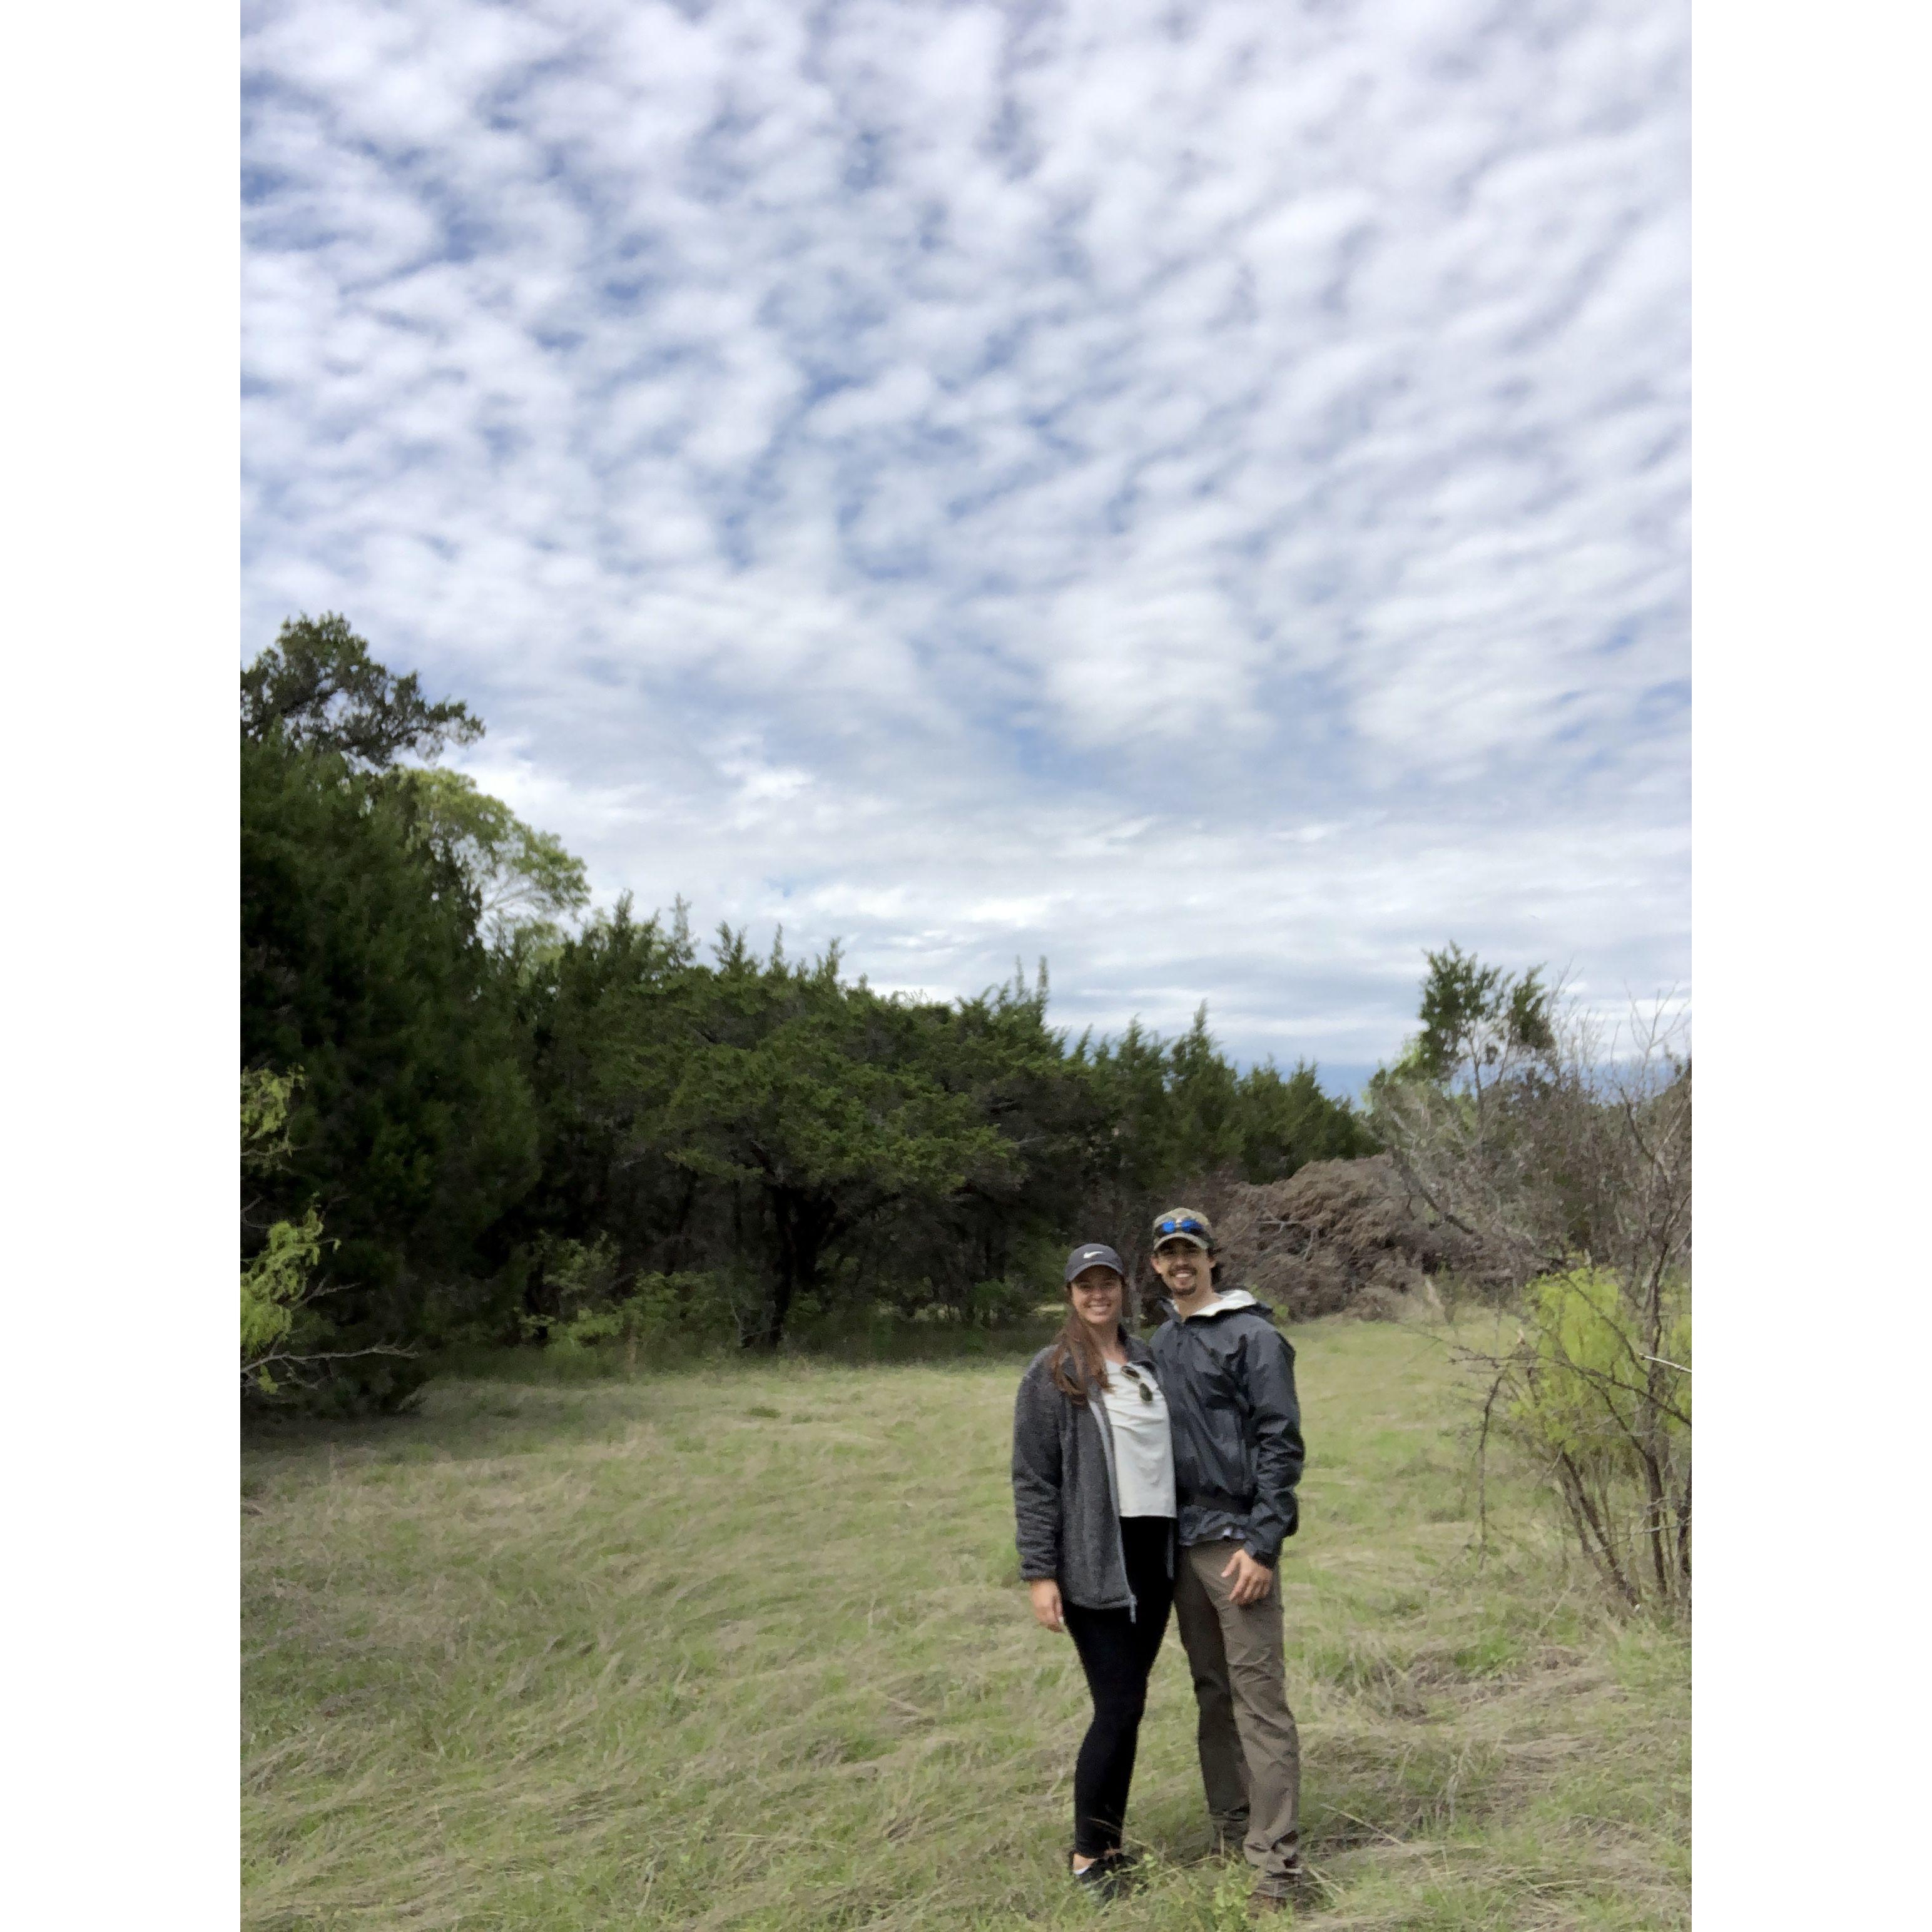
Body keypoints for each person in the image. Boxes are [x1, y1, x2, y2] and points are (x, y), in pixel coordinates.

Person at [1146, 1206, 1309, 1914]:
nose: (1181, 1263)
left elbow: (1280, 1441)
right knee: (1212, 1694)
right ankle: (1230, 1829)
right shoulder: (1160, 1341)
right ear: (1155, 1265)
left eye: (1192, 1251)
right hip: (1180, 1544)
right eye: (1168, 1254)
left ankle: (1276, 1869)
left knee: (1258, 1701)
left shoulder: (1253, 1335)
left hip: (1236, 1543)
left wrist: (1262, 1542)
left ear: (1213, 1258)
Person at [1012, 1241, 1177, 1902]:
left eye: (1107, 1281)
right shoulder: (1052, 1372)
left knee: (1130, 1705)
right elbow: (1033, 1478)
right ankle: (1087, 1854)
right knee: (1117, 1702)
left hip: (1154, 1552)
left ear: (1123, 1288)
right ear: (1070, 1293)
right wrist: (1039, 1572)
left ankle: (1111, 1843)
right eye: (1086, 1284)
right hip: (1093, 1557)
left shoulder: (1149, 1362)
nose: (1098, 1293)